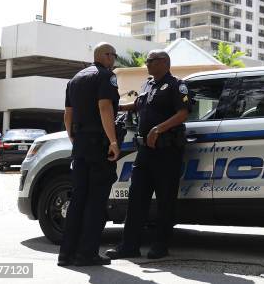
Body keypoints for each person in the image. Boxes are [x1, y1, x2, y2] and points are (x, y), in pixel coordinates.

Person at [106, 50, 190, 260]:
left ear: (164, 62)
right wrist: (115, 107)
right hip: (144, 152)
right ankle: (129, 246)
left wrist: (158, 129)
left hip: (166, 151)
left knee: (165, 200)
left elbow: (183, 112)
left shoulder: (175, 85)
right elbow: (138, 105)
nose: (147, 64)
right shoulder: (148, 84)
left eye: (150, 61)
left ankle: (160, 245)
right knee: (137, 199)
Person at [58, 42, 120, 267]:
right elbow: (105, 107)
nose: (114, 59)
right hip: (97, 145)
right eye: (113, 55)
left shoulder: (75, 79)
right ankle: (87, 254)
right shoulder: (105, 76)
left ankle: (66, 254)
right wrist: (113, 141)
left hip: (81, 144)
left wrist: (72, 137)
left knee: (77, 200)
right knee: (96, 201)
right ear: (105, 56)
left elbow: (68, 114)